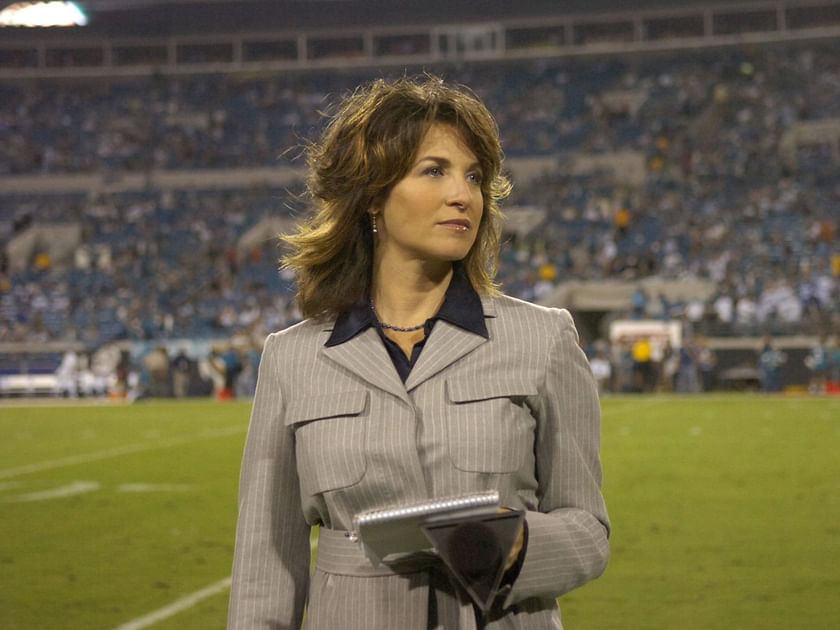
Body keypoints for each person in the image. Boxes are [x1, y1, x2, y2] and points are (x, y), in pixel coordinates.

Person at [228, 76, 609, 630]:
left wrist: (505, 544)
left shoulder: (544, 339)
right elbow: (266, 566)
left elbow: (589, 530)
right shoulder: (292, 358)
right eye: (435, 170)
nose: (463, 194)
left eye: (474, 176)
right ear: (373, 193)